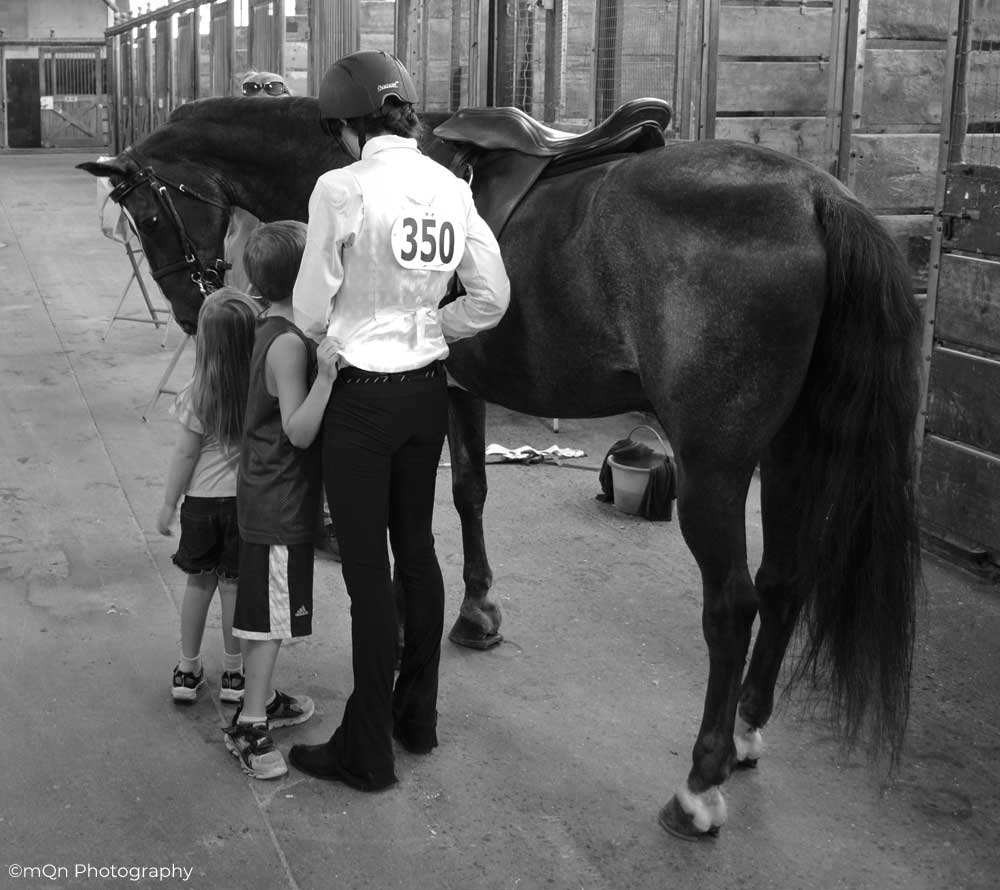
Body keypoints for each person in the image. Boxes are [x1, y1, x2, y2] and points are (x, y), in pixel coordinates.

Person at [288, 50, 510, 791]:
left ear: (346, 125)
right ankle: (418, 720)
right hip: (426, 396)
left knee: (366, 577)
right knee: (416, 551)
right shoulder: (451, 185)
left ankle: (367, 751)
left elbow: (312, 308)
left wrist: (349, 331)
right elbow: (492, 296)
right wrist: (431, 326)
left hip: (358, 400)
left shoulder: (340, 187)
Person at [223, 220, 340, 780]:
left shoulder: (271, 322)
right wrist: (326, 377)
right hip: (280, 503)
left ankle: (261, 697)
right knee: (270, 621)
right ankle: (249, 726)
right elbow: (297, 429)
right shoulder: (292, 345)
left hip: (267, 494)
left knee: (263, 612)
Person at [157, 288, 258, 705]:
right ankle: (234, 675)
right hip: (243, 504)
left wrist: (168, 502)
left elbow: (185, 454)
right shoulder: (259, 389)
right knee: (234, 588)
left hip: (200, 504)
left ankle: (187, 667)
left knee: (199, 586)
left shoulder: (197, 392)